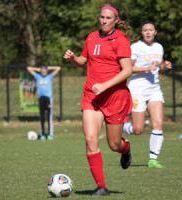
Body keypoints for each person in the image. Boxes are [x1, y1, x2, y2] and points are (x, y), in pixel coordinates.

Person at [63, 2, 132, 196]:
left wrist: (104, 85)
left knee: (114, 144)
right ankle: (102, 187)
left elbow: (127, 71)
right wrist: (73, 59)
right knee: (90, 140)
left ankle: (125, 150)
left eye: (108, 18)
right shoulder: (92, 37)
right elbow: (83, 61)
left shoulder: (121, 39)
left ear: (116, 20)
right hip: (91, 97)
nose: (104, 21)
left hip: (115, 97)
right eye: (102, 17)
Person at [122, 21, 172, 169]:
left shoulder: (159, 47)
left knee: (158, 124)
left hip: (154, 89)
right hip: (138, 90)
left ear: (155, 32)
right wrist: (145, 68)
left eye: (151, 30)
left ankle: (152, 159)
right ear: (142, 33)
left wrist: (165, 66)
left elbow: (159, 66)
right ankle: (117, 128)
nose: (148, 32)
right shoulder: (136, 47)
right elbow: (127, 68)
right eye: (145, 30)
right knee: (138, 129)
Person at [27, 66, 61, 140]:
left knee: (49, 117)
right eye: (42, 71)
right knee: (42, 117)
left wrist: (48, 68)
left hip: (48, 98)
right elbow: (29, 68)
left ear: (47, 71)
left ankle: (50, 134)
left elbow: (58, 68)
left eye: (45, 71)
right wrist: (38, 69)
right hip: (41, 98)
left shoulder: (49, 77)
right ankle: (42, 134)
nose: (44, 72)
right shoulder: (38, 76)